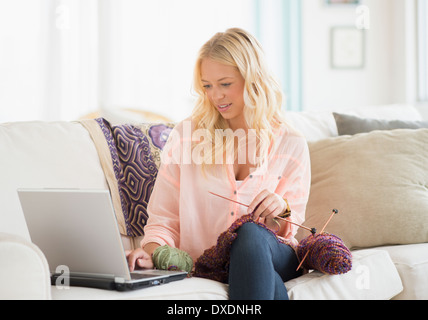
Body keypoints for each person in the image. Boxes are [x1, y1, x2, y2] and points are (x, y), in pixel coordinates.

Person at [126, 28, 311, 300]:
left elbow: (292, 223)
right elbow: (163, 220)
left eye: (225, 84)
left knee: (248, 233)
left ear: (254, 80)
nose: (216, 96)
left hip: (275, 254)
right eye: (207, 86)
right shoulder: (187, 136)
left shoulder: (290, 142)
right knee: (267, 284)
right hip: (214, 265)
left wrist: (281, 210)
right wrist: (152, 251)